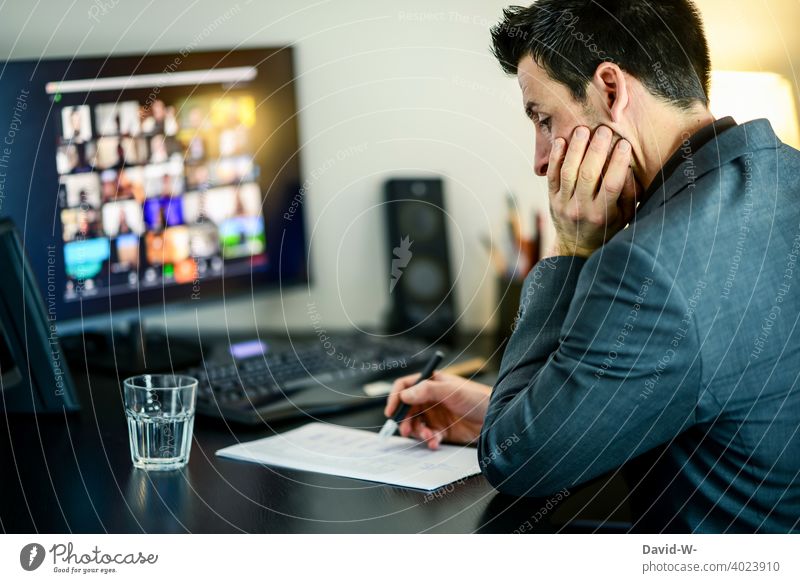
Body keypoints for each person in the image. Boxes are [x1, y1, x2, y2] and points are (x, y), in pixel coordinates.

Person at [385, 0, 800, 533]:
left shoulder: (650, 266)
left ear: (610, 90)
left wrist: (571, 246)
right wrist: (502, 410)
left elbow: (516, 462)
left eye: (543, 119)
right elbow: (686, 387)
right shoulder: (783, 177)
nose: (539, 159)